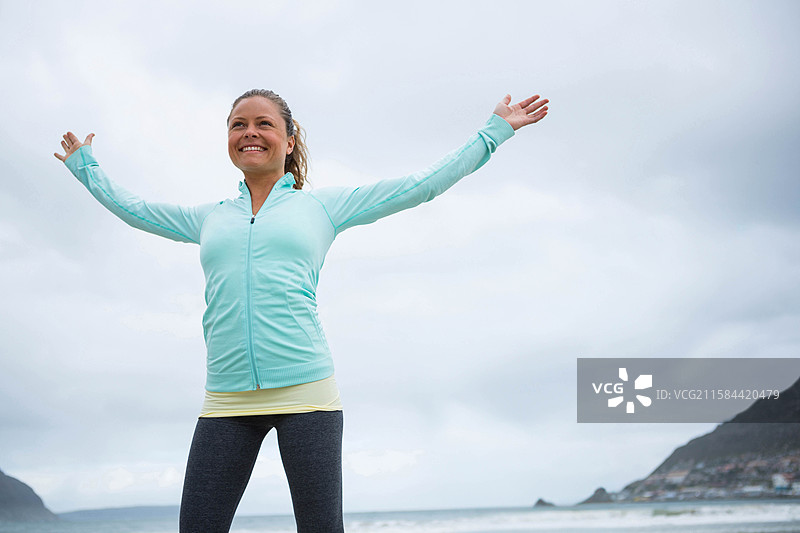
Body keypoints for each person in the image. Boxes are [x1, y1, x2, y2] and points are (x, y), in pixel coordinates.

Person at [54, 89, 549, 532]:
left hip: (308, 394)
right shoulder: (209, 218)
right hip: (227, 401)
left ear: (289, 141)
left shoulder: (322, 208)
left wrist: (494, 132)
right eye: (238, 125)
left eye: (264, 123)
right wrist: (86, 168)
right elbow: (134, 209)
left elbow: (421, 185)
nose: (250, 132)